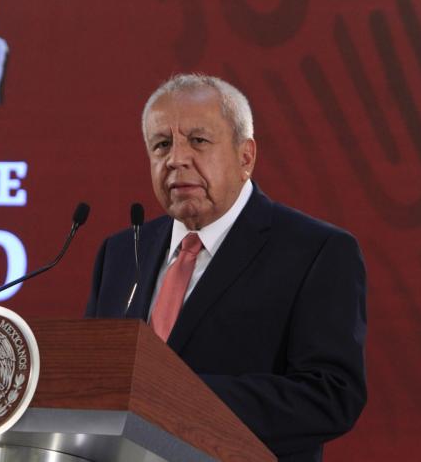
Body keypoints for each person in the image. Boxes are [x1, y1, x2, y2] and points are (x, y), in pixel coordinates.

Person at [86, 73, 367, 462]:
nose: (176, 158)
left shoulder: (316, 251)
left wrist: (174, 399)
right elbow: (96, 384)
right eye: (162, 144)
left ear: (245, 156)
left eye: (198, 141)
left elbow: (331, 395)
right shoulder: (120, 253)